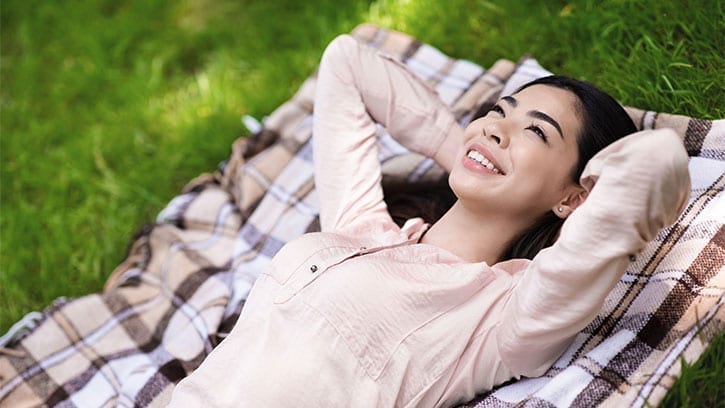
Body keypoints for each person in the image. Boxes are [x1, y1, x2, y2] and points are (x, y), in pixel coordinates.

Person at [167, 34, 690, 407]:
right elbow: (346, 63)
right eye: (497, 112)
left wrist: (527, 176)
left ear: (575, 197)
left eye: (536, 132)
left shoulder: (503, 317)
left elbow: (654, 163)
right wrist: (465, 150)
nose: (496, 128)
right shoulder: (362, 226)